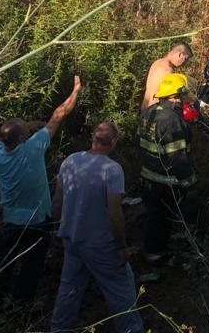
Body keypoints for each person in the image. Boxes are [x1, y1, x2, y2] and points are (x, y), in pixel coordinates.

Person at [0, 74, 81, 307]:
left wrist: (22, 128)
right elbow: (59, 115)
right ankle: (21, 307)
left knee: (4, 263)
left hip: (10, 220)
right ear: (23, 137)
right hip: (36, 221)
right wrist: (75, 91)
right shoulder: (34, 147)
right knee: (31, 267)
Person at [50, 121, 144, 333]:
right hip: (100, 244)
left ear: (93, 137)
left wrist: (58, 229)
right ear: (113, 142)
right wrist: (121, 246)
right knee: (121, 289)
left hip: (72, 240)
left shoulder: (70, 161)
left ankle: (58, 329)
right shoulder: (111, 170)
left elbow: (57, 202)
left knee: (69, 288)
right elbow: (115, 214)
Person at [138, 72, 201, 280]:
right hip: (165, 182)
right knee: (168, 217)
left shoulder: (148, 112)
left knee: (155, 216)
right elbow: (177, 159)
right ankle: (162, 256)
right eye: (184, 95)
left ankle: (154, 252)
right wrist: (190, 184)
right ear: (177, 95)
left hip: (147, 176)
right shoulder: (173, 120)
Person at [141, 41, 192, 110]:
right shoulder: (167, 70)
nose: (185, 63)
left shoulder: (158, 62)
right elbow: (170, 98)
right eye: (185, 59)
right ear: (180, 55)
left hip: (145, 109)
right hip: (154, 112)